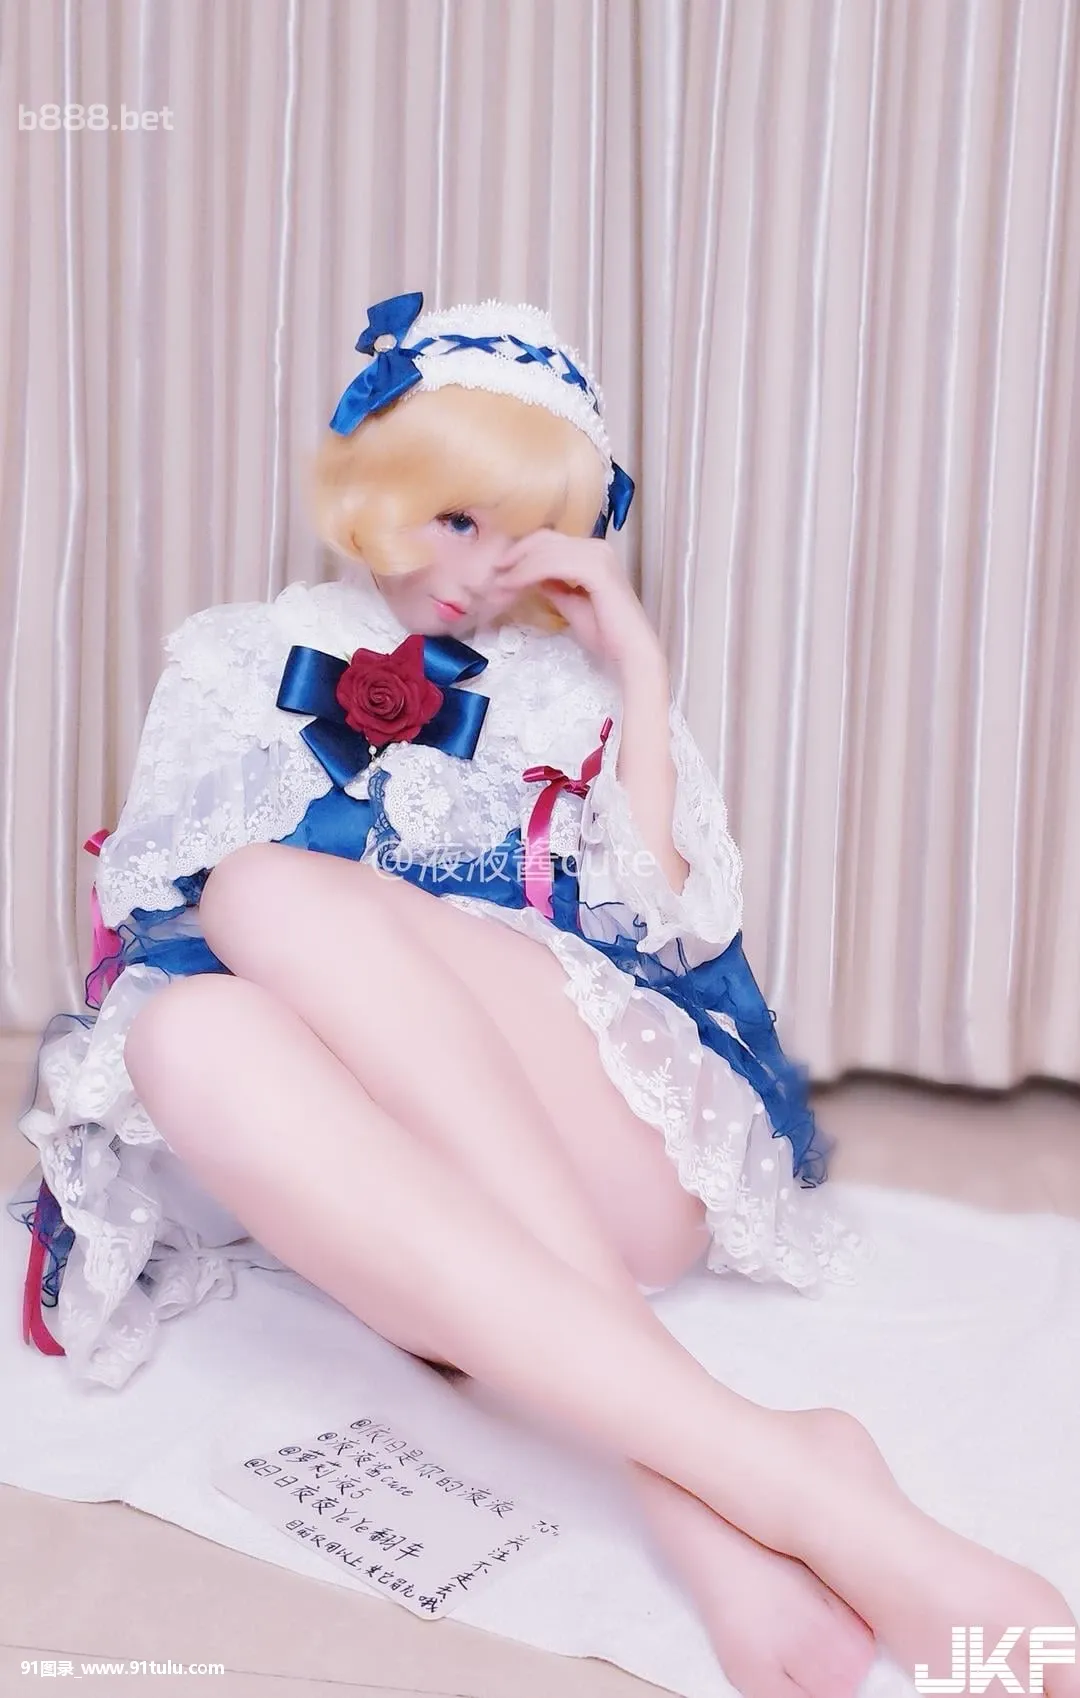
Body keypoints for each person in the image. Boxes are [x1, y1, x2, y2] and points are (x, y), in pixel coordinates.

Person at [10, 293, 1077, 1698]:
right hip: (395, 1199)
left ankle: (759, 1497)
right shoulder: (234, 658)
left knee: (269, 890)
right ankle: (751, 1482)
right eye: (456, 518)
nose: (480, 571)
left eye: (524, 536)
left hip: (608, 1154)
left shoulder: (572, 688)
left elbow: (679, 925)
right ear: (380, 485)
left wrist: (638, 670)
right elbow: (154, 901)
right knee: (195, 1016)